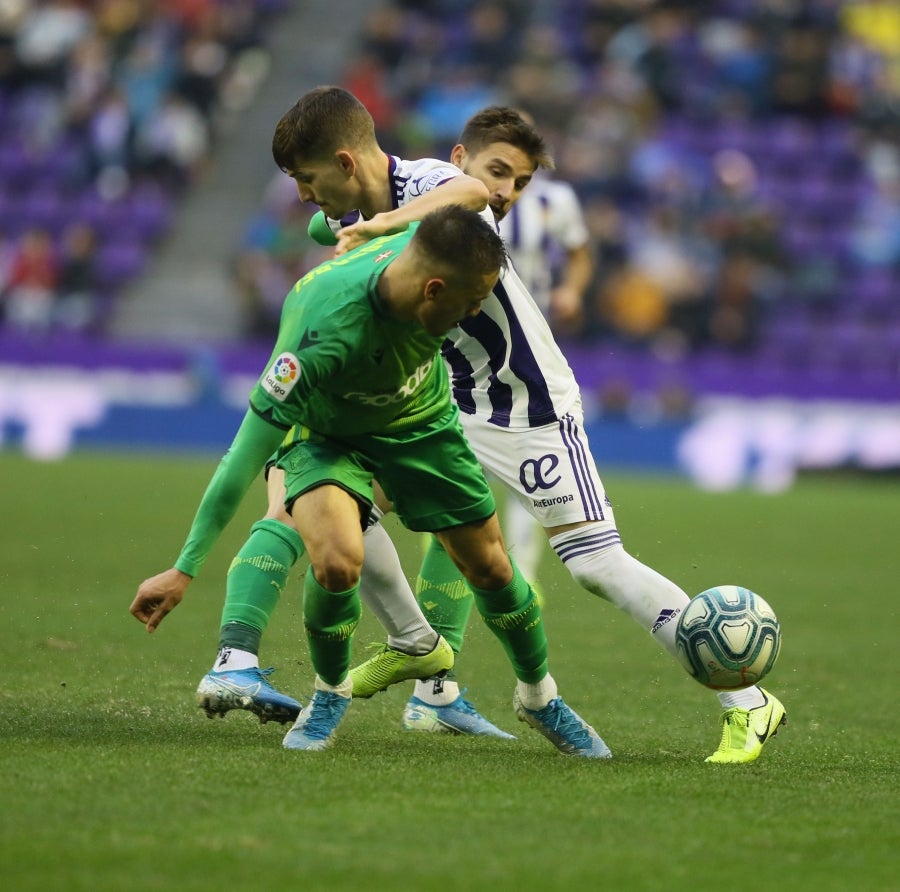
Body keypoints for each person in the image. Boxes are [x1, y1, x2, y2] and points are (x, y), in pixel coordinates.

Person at [131, 202, 611, 757]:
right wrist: (184, 569)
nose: (474, 315)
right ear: (433, 290)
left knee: (492, 567)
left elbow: (457, 191)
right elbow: (240, 459)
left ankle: (539, 697)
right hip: (330, 440)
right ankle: (330, 691)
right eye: (471, 303)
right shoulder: (321, 335)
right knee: (336, 562)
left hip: (424, 425)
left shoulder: (416, 238)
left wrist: (354, 222)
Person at [496, 164, 594, 591]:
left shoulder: (556, 200)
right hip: (465, 341)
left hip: (529, 341)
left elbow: (580, 253)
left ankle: (524, 574)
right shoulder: (455, 193)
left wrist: (571, 291)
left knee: (531, 455)